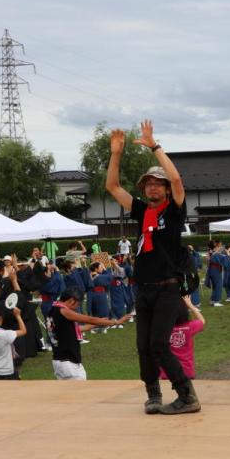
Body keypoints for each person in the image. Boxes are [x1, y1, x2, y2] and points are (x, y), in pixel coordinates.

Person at [104, 120, 200, 414]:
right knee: (143, 347)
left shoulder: (173, 210)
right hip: (142, 290)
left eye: (157, 182)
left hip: (167, 289)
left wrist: (154, 146)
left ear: (166, 189)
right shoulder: (142, 211)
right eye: (148, 183)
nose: (152, 186)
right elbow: (112, 186)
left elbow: (178, 180)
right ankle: (153, 393)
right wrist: (116, 154)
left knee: (159, 345)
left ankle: (187, 395)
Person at [47, 288, 127, 380]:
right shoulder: (63, 311)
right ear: (71, 300)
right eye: (78, 304)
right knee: (80, 391)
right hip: (68, 362)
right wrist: (116, 322)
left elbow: (75, 329)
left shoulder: (54, 309)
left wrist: (96, 324)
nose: (77, 307)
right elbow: (89, 319)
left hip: (60, 361)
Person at [159, 295, 204, 383]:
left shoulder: (163, 328)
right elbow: (202, 320)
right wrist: (190, 304)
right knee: (188, 395)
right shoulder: (190, 326)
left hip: (167, 371)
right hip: (186, 371)